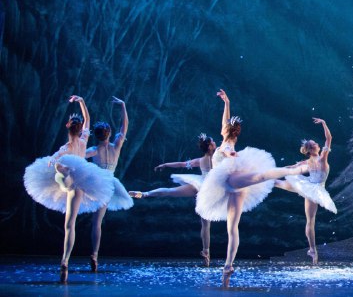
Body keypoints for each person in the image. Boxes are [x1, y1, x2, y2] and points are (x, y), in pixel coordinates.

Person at [195, 89, 305, 286]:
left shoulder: (226, 145)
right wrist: (226, 102)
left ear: (226, 132)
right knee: (232, 228)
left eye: (224, 127)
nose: (221, 128)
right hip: (230, 188)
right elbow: (225, 122)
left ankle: (292, 170)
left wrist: (230, 155)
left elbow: (228, 150)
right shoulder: (224, 140)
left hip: (231, 179)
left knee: (261, 176)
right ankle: (228, 265)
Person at [23, 96, 118, 283]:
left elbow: (54, 157)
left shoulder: (66, 146)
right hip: (81, 185)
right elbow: (88, 120)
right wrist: (82, 102)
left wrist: (54, 161)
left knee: (68, 221)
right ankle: (67, 260)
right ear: (80, 129)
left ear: (67, 126)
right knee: (70, 224)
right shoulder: (84, 141)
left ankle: (65, 260)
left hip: (69, 182)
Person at [128, 133, 217, 266]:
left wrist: (165, 164)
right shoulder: (219, 158)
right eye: (214, 142)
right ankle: (206, 252)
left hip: (201, 186)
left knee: (170, 192)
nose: (216, 143)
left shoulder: (201, 160)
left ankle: (145, 194)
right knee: (206, 224)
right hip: (209, 190)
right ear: (210, 146)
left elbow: (181, 164)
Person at [274, 118, 337, 265]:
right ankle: (312, 250)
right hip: (314, 189)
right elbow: (329, 138)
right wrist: (324, 123)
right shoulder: (322, 158)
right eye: (315, 144)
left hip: (309, 186)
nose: (318, 144)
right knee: (310, 221)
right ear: (311, 150)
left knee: (278, 183)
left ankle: (257, 179)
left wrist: (279, 170)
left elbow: (290, 167)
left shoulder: (307, 162)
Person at [84, 96, 133, 271]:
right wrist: (123, 107)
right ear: (109, 134)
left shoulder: (93, 150)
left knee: (95, 222)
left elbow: (77, 156)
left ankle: (94, 253)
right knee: (98, 221)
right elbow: (124, 127)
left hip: (95, 183)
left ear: (96, 136)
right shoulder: (116, 146)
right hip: (108, 183)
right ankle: (95, 255)